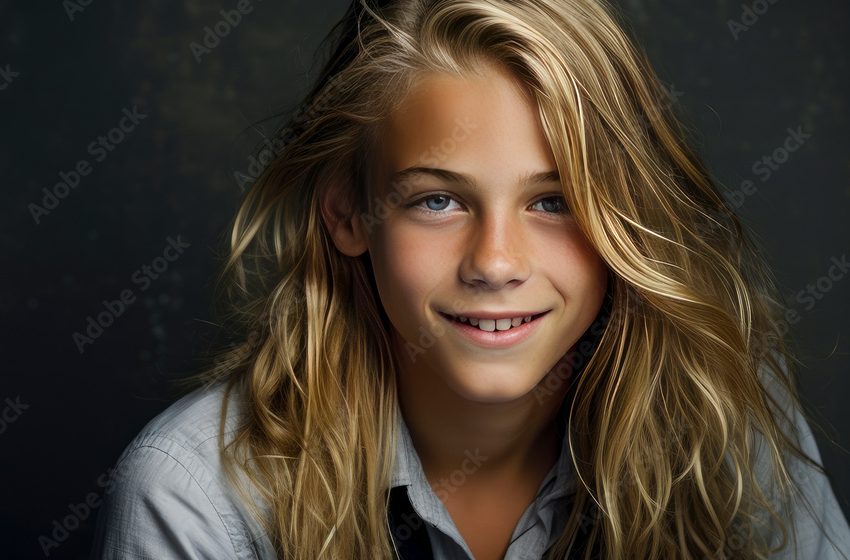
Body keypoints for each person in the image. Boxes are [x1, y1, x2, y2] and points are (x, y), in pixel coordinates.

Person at [90, 0, 850, 558]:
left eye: (554, 202)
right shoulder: (197, 497)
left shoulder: (724, 417)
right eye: (438, 200)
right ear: (349, 215)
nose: (495, 262)